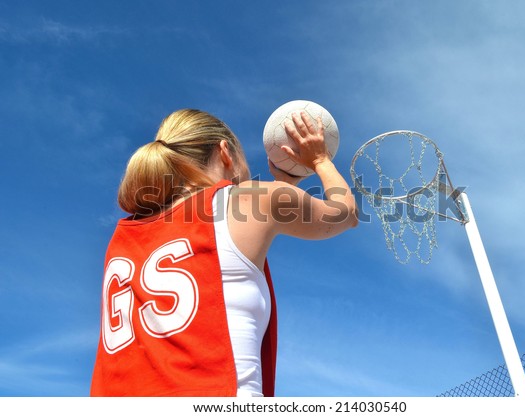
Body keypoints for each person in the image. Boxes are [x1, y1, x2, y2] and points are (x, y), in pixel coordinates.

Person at [90, 108, 358, 397]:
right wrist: (319, 159)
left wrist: (284, 187)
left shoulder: (125, 236)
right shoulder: (253, 200)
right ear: (224, 153)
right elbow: (345, 213)